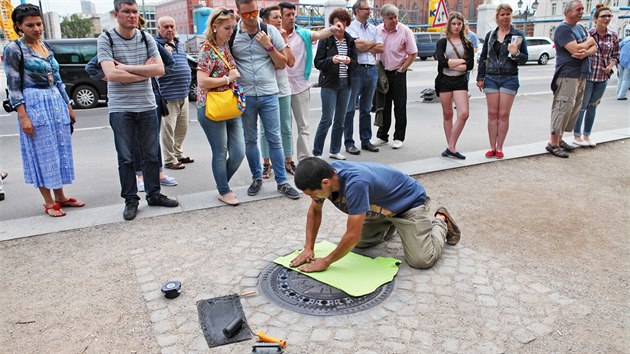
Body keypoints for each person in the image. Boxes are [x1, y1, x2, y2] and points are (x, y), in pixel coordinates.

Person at [290, 157, 461, 272]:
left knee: (422, 260)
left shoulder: (355, 184)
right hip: (381, 208)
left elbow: (352, 235)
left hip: (408, 204)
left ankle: (441, 221)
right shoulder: (324, 176)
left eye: (313, 194)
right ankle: (391, 224)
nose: (313, 199)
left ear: (325, 183)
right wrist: (308, 248)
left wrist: (326, 261)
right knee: (361, 244)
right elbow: (315, 211)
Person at [98, 0, 179, 220]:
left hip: (147, 105)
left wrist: (124, 67)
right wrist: (145, 71)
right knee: (126, 157)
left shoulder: (146, 38)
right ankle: (131, 200)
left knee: (151, 154)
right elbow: (110, 74)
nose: (132, 16)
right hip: (121, 108)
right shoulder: (105, 39)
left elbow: (160, 68)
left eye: (135, 11)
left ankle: (154, 194)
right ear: (117, 14)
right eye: (127, 12)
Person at [3, 3, 85, 217]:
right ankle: (48, 202)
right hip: (33, 103)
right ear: (19, 26)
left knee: (59, 150)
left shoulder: (45, 45)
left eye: (39, 24)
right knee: (42, 153)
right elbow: (13, 84)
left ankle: (60, 196)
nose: (36, 29)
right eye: (30, 25)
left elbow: (57, 79)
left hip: (55, 102)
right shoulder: (14, 49)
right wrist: (23, 116)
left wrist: (68, 106)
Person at [232, 0, 300, 199]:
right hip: (246, 96)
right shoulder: (233, 34)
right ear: (239, 13)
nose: (251, 18)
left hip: (270, 92)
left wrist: (269, 46)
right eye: (246, 15)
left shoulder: (270, 31)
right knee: (250, 139)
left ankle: (282, 182)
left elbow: (282, 64)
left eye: (254, 13)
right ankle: (257, 178)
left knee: (275, 138)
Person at [279, 2, 343, 163]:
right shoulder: (274, 35)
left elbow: (319, 34)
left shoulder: (303, 33)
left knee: (303, 126)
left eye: (293, 14)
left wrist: (333, 28)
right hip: (280, 87)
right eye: (288, 15)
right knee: (283, 128)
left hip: (300, 86)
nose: (292, 18)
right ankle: (284, 160)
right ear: (280, 17)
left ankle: (305, 160)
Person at [196, 8, 245, 206]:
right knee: (220, 150)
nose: (231, 31)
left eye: (232, 28)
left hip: (230, 105)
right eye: (227, 28)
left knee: (239, 152)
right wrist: (227, 77)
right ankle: (224, 190)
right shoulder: (207, 49)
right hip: (211, 107)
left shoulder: (225, 46)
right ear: (214, 27)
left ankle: (221, 183)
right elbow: (201, 81)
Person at [476, 4, 528, 159]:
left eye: (508, 14)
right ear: (497, 17)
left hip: (509, 78)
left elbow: (524, 58)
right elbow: (484, 57)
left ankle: (500, 147)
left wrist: (516, 53)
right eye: (502, 14)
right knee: (492, 114)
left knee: (503, 114)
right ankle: (492, 146)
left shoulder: (518, 35)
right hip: (491, 77)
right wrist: (480, 77)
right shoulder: (491, 35)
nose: (505, 17)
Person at [546, 0, 597, 158]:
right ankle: (553, 143)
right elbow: (575, 50)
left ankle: (560, 140)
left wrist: (587, 48)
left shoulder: (580, 27)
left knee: (572, 109)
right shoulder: (562, 29)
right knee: (562, 108)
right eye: (578, 9)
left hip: (581, 74)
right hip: (568, 75)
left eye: (582, 9)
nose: (582, 11)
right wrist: (588, 43)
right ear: (567, 12)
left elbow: (594, 45)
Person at [312, 9, 357, 160]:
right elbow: (317, 62)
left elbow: (355, 64)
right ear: (332, 22)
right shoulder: (326, 39)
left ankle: (335, 150)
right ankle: (317, 153)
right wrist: (332, 60)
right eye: (337, 21)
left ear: (346, 23)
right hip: (329, 84)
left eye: (343, 21)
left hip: (346, 84)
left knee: (340, 119)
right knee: (327, 119)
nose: (340, 24)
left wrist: (349, 61)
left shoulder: (350, 40)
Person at [372, 4, 417, 150]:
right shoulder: (377, 30)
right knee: (383, 106)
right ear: (383, 18)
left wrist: (403, 69)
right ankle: (382, 136)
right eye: (390, 18)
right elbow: (372, 48)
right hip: (381, 73)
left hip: (398, 72)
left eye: (396, 16)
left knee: (400, 106)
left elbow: (413, 53)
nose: (394, 20)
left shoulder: (405, 31)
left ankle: (398, 137)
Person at [572, 4, 619, 147]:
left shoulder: (613, 35)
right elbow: (580, 51)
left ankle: (587, 135)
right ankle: (577, 135)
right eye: (603, 16)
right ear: (595, 19)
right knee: (582, 105)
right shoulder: (588, 34)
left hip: (602, 77)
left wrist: (610, 66)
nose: (607, 19)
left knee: (593, 106)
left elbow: (616, 55)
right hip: (588, 75)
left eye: (609, 16)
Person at [343, 0, 383, 155]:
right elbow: (357, 46)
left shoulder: (373, 28)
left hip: (371, 70)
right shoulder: (350, 27)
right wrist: (372, 44)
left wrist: (367, 44)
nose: (370, 11)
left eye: (369, 8)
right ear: (357, 11)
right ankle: (349, 142)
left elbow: (382, 48)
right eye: (366, 9)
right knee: (350, 108)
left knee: (366, 109)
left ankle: (366, 141)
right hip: (356, 70)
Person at [259, 6, 295, 179]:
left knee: (286, 127)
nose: (280, 20)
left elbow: (290, 62)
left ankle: (289, 161)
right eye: (275, 17)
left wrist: (285, 39)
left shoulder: (282, 37)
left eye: (280, 17)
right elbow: (274, 64)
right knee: (265, 130)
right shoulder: (261, 38)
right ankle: (267, 163)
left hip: (283, 88)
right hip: (265, 90)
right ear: (266, 21)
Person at [434, 12, 475, 160]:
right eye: (454, 24)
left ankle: (451, 146)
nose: (456, 26)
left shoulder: (468, 43)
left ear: (462, 25)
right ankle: (451, 147)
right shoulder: (442, 43)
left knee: (463, 114)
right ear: (449, 25)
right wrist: (460, 61)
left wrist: (452, 63)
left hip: (460, 82)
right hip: (444, 81)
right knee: (448, 114)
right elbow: (442, 62)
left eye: (459, 24)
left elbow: (469, 65)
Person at [156, 16, 194, 169]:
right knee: (168, 130)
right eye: (165, 27)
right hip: (168, 96)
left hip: (183, 94)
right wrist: (166, 55)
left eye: (172, 26)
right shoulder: (157, 46)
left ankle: (178, 154)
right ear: (159, 29)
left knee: (181, 128)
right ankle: (169, 159)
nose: (169, 29)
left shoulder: (178, 43)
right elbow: (156, 71)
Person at [617, 36, 630, 100]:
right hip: (628, 62)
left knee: (620, 78)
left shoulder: (627, 38)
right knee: (626, 79)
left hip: (621, 59)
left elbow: (618, 46)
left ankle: (618, 93)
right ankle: (621, 95)